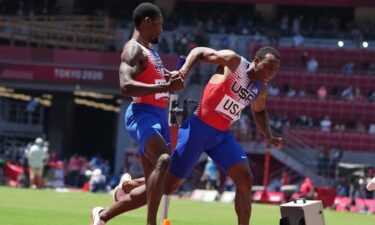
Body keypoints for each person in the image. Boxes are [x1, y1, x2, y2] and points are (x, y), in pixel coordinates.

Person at [91, 46, 283, 225]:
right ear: (256, 61)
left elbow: (259, 112)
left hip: (221, 136)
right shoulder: (234, 62)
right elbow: (199, 52)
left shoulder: (260, 88)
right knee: (166, 186)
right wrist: (183, 72)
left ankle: (129, 186)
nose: (271, 73)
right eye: (269, 67)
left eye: (275, 70)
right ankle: (103, 215)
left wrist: (268, 134)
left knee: (245, 178)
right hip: (197, 129)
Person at [90, 3, 183, 225]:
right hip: (142, 114)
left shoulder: (152, 52)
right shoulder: (133, 49)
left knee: (154, 188)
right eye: (159, 25)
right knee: (164, 160)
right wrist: (163, 88)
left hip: (160, 115)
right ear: (147, 22)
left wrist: (168, 81)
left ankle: (102, 216)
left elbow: (155, 80)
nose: (161, 30)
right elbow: (126, 85)